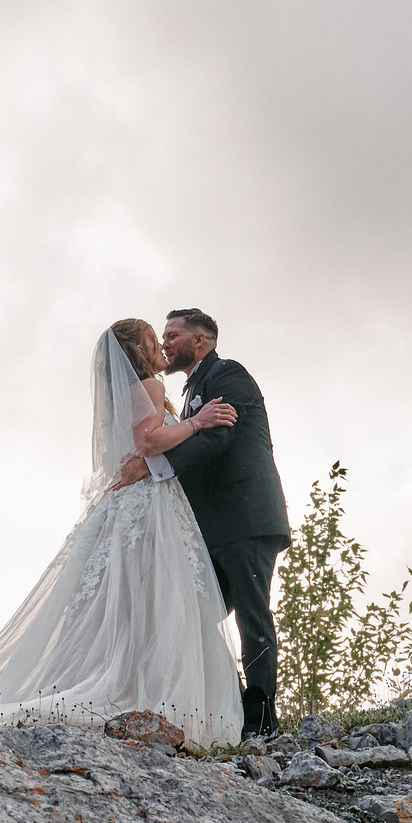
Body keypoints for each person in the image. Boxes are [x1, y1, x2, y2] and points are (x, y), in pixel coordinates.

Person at [0, 319, 246, 744]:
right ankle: (141, 685)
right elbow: (149, 443)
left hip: (127, 504)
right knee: (157, 595)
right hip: (149, 505)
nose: (161, 348)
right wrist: (197, 423)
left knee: (131, 599)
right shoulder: (149, 386)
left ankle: (128, 676)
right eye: (154, 340)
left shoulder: (122, 394)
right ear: (139, 350)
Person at [152, 309, 289, 738]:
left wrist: (156, 469)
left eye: (173, 335)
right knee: (195, 614)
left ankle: (261, 719)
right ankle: (228, 704)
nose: (164, 343)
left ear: (201, 340)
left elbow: (218, 436)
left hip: (246, 517)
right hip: (213, 529)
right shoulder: (193, 389)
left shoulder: (229, 374)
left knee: (251, 615)